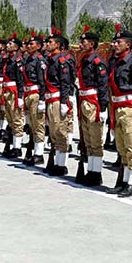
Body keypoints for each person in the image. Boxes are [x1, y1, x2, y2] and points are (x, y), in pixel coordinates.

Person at [106, 25, 132, 197]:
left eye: (118, 42)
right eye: (115, 41)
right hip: (117, 107)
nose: (115, 44)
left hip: (129, 108)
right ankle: (123, 181)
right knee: (121, 147)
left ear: (128, 45)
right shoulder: (115, 62)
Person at [76, 26, 110, 186]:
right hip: (84, 101)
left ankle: (96, 173)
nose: (81, 44)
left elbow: (103, 85)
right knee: (87, 138)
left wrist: (103, 108)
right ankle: (90, 170)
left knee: (95, 139)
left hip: (93, 102)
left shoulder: (98, 62)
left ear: (92, 44)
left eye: (84, 41)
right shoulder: (84, 60)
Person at [43, 28, 75, 176]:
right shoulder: (50, 60)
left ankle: (61, 165)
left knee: (60, 132)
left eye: (50, 42)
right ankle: (56, 162)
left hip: (57, 99)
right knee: (53, 133)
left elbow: (65, 82)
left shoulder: (62, 61)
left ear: (58, 45)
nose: (47, 44)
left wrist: (64, 102)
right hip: (50, 99)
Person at [22, 31, 48, 165]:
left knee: (38, 125)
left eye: (31, 44)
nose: (28, 45)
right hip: (28, 94)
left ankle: (39, 153)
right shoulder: (28, 59)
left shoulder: (40, 60)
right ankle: (33, 150)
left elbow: (42, 81)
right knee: (31, 125)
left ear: (38, 46)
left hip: (36, 95)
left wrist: (42, 99)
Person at [1, 34, 26, 159]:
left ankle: (17, 147)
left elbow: (21, 80)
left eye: (10, 44)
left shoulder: (18, 60)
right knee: (10, 119)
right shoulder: (8, 59)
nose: (8, 46)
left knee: (17, 119)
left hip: (14, 92)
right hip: (7, 91)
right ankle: (11, 146)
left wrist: (20, 96)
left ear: (16, 47)